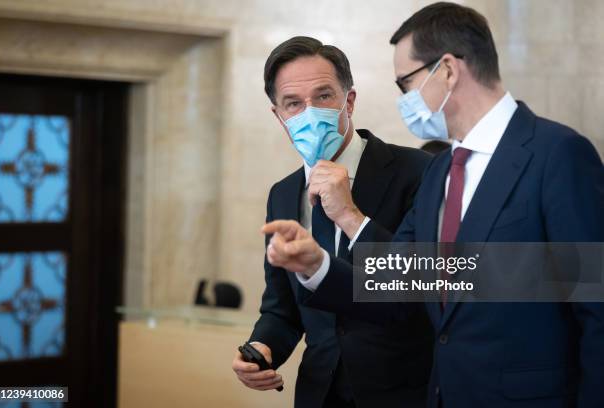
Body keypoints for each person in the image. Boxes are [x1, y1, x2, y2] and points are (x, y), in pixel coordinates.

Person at [260, 3, 604, 408]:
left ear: (447, 70)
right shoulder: (442, 170)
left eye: (405, 82)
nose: (404, 99)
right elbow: (406, 279)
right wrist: (314, 265)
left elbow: (594, 305)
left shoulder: (559, 153)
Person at [231, 36, 433, 408]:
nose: (309, 112)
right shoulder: (283, 194)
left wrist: (350, 215)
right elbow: (282, 307)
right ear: (279, 116)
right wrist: (261, 347)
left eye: (323, 96)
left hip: (403, 392)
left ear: (349, 101)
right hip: (320, 394)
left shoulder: (418, 172)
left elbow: (426, 284)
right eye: (293, 103)